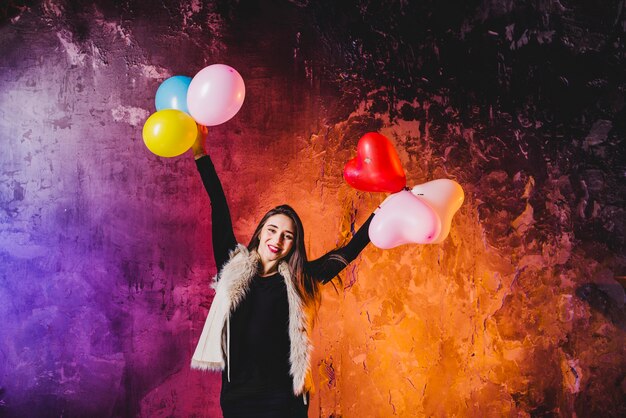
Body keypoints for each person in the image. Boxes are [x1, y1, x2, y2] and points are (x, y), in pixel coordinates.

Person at [190, 126, 374, 418]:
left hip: (285, 398)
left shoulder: (301, 278)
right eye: (272, 230)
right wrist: (201, 152)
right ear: (261, 232)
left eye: (287, 236)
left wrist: (385, 211)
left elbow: (348, 252)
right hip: (238, 395)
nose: (277, 240)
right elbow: (219, 206)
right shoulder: (232, 264)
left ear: (293, 244)